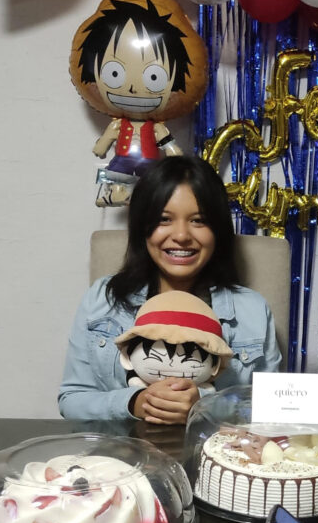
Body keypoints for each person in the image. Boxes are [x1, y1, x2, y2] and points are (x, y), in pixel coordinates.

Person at [58, 155, 281, 424]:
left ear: (218, 230)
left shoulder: (252, 311)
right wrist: (135, 403)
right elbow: (72, 399)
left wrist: (205, 405)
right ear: (142, 227)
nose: (182, 235)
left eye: (198, 220)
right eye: (164, 219)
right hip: (120, 448)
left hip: (209, 448)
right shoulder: (103, 299)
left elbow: (273, 410)